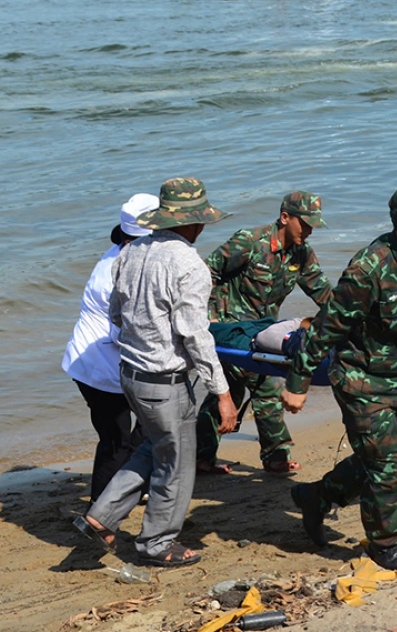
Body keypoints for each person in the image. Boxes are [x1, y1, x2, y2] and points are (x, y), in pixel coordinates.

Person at [281, 179, 397, 571]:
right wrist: (298, 382)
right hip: (363, 381)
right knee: (390, 467)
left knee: (373, 460)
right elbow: (328, 326)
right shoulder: (369, 268)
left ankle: (317, 496)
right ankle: (384, 545)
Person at [73, 177, 238, 568]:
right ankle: (156, 543)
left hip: (129, 374)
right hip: (164, 382)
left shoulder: (129, 252)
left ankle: (102, 515)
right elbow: (196, 337)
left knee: (153, 446)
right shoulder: (189, 265)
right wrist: (223, 393)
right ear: (194, 224)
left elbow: (115, 313)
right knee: (176, 465)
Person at [196, 191, 332, 476]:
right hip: (226, 328)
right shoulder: (250, 242)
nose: (309, 231)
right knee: (265, 384)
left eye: (312, 226)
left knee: (230, 391)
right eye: (304, 224)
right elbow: (206, 272)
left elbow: (323, 293)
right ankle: (274, 456)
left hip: (262, 331)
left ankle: (201, 457)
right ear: (285, 217)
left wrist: (350, 318)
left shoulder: (302, 254)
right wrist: (202, 319)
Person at [62, 192, 159, 503]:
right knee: (122, 438)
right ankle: (101, 506)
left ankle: (127, 488)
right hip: (101, 367)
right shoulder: (120, 271)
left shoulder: (122, 253)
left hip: (92, 361)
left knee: (138, 429)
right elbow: (126, 332)